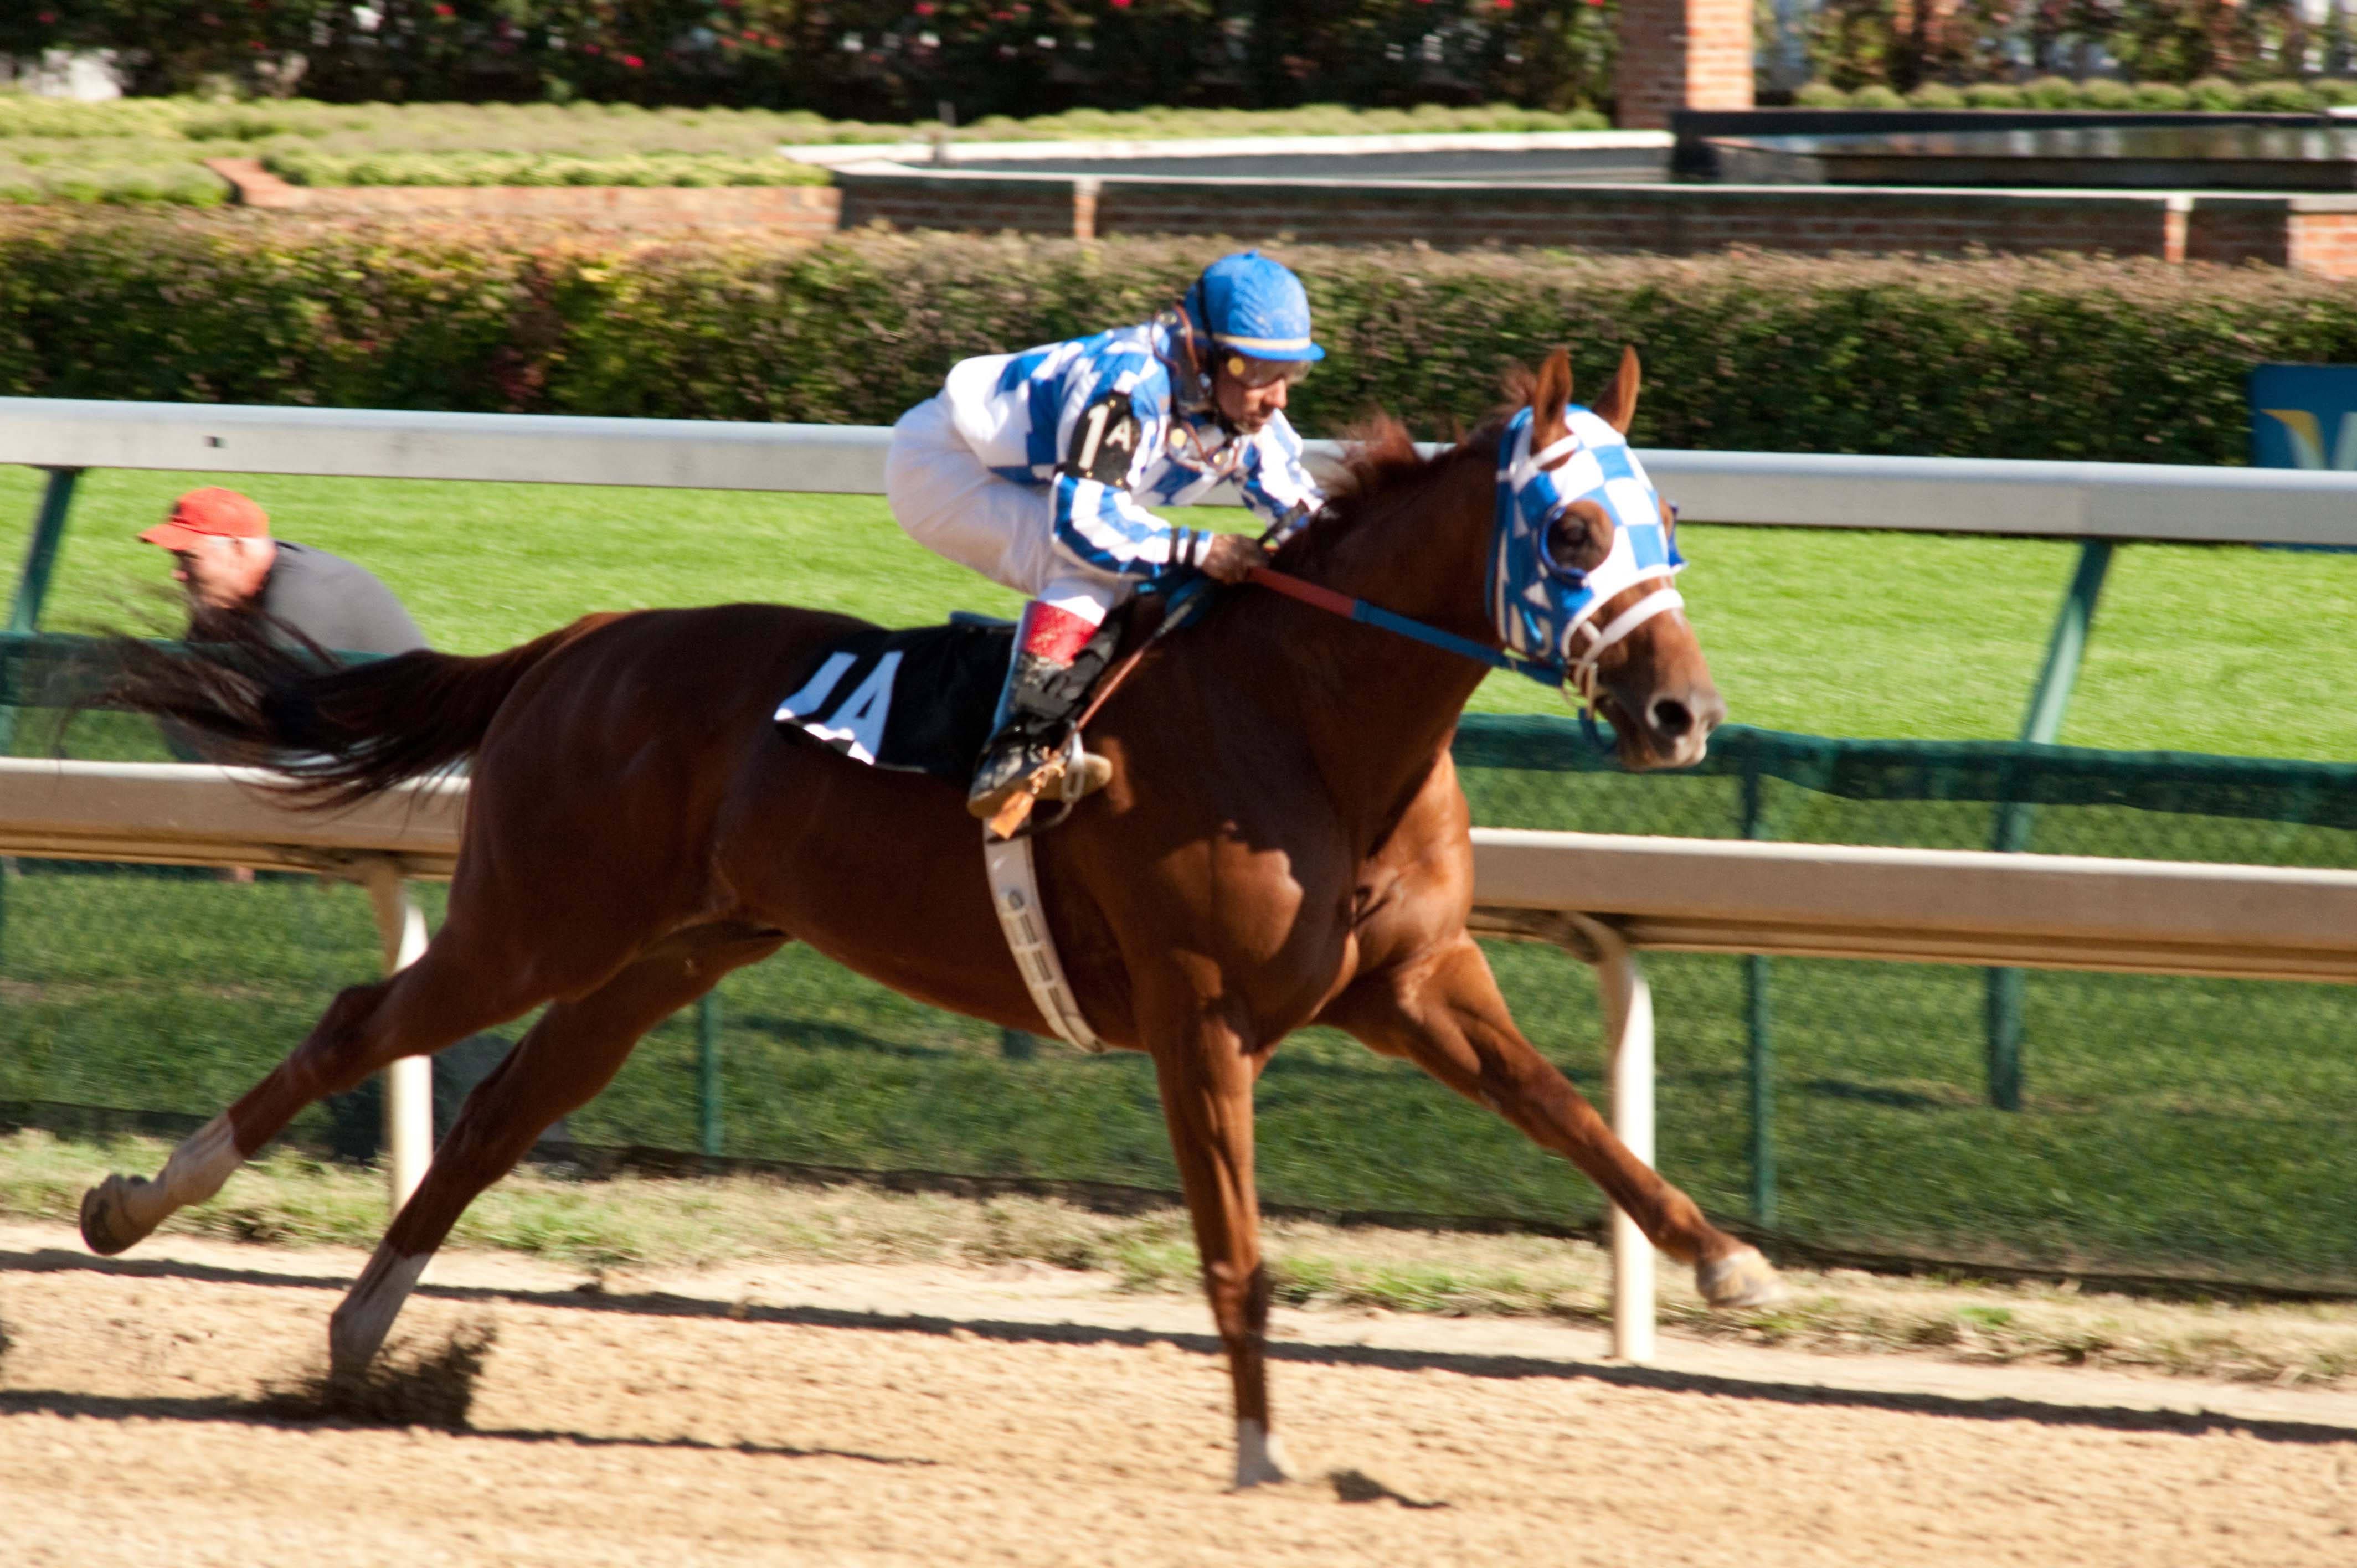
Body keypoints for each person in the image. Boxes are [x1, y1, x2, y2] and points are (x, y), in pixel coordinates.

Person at [885, 249, 1328, 819]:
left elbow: (1305, 516)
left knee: (1145, 574)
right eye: (1258, 372)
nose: (1278, 398)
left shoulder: (1240, 404)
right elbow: (1082, 528)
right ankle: (1015, 749)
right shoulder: (1127, 387)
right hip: (946, 467)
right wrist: (1202, 547)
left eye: (1291, 374)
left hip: (1038, 480)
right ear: (1203, 355)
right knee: (1091, 569)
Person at [138, 486, 428, 658]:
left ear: (239, 550)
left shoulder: (301, 595)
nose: (178, 575)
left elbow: (280, 706)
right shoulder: (228, 596)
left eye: (189, 558)